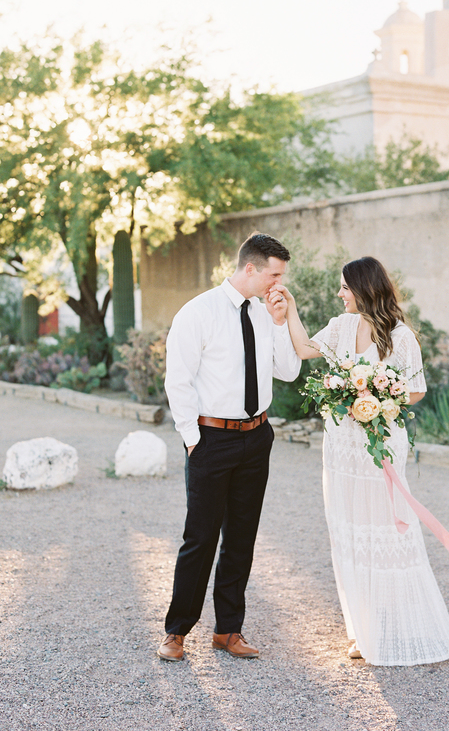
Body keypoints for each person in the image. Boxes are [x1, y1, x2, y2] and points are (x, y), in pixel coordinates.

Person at [276, 256, 449, 666]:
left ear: (363, 289)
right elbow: (306, 349)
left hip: (380, 444)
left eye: (344, 287)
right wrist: (289, 308)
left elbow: (414, 392)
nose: (339, 294)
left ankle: (399, 624)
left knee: (385, 529)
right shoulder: (341, 327)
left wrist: (376, 399)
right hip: (341, 446)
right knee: (349, 529)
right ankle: (364, 628)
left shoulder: (401, 337)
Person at [158, 233, 301, 662]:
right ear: (251, 268)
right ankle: (176, 632)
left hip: (257, 437)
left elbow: (289, 371)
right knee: (199, 538)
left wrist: (280, 321)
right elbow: (177, 379)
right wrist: (192, 439)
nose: (279, 283)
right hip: (211, 439)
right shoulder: (198, 312)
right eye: (274, 274)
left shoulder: (263, 313)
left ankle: (228, 631)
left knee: (242, 537)